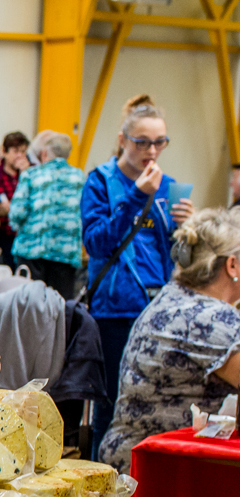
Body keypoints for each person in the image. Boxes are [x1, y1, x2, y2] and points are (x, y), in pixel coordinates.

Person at [81, 94, 193, 450]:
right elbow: (97, 243)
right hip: (115, 309)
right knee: (111, 402)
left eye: (160, 142)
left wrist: (187, 229)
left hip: (158, 307)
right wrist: (134, 195)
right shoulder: (100, 182)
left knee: (154, 399)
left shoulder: (169, 186)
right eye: (142, 142)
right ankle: (101, 481)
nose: (152, 150)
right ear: (122, 140)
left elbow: (181, 257)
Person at [98, 208, 240, 472]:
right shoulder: (211, 317)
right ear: (231, 265)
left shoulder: (172, 297)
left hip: (128, 458)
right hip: (160, 470)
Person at [9, 130, 85, 300]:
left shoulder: (31, 175)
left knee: (30, 307)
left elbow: (17, 213)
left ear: (44, 153)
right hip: (66, 255)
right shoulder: (81, 177)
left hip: (32, 252)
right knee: (60, 307)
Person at [0, 130, 28, 258]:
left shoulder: (30, 173)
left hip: (24, 234)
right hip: (3, 233)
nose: (20, 156)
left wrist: (26, 175)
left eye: (23, 152)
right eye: (16, 151)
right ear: (4, 152)